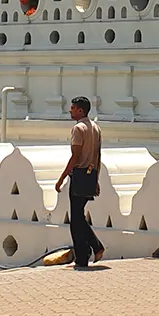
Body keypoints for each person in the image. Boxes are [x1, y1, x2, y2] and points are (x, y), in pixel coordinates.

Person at [53, 96, 104, 270]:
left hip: (80, 175)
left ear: (81, 111)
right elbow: (98, 156)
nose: (70, 110)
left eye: (73, 108)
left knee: (76, 219)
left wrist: (61, 178)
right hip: (90, 174)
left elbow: (75, 157)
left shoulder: (78, 129)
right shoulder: (96, 128)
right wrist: (96, 179)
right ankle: (86, 254)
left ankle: (92, 249)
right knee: (78, 217)